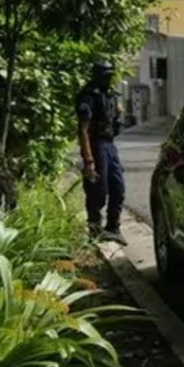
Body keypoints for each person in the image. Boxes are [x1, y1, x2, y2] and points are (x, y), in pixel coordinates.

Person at [76, 59, 126, 245]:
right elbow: (83, 129)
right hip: (96, 146)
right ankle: (95, 230)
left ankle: (113, 227)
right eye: (105, 76)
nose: (108, 80)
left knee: (118, 188)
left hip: (110, 145)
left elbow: (116, 120)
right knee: (98, 189)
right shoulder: (88, 96)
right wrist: (88, 160)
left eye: (110, 76)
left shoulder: (110, 94)